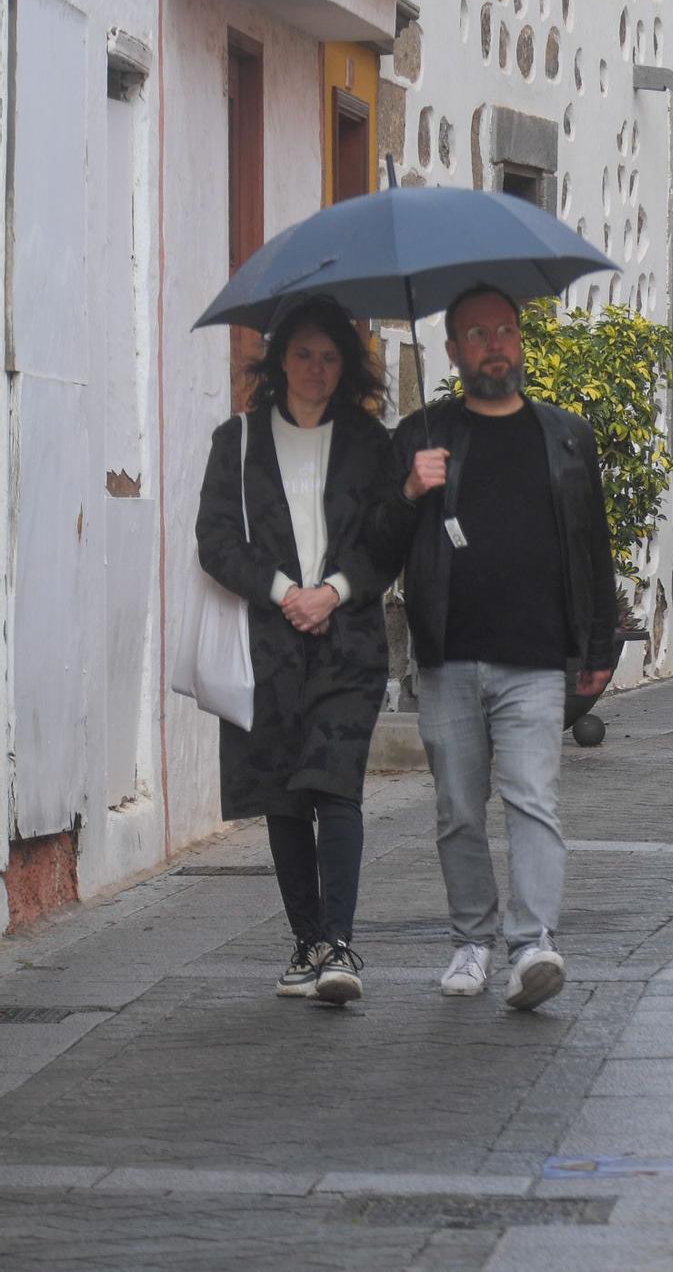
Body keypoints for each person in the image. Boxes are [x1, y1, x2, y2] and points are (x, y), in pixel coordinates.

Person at [370, 285, 617, 1011]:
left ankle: (533, 943)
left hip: (537, 658)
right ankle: (471, 941)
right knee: (457, 806)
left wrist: (598, 642)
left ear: (520, 341)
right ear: (453, 352)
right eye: (476, 334)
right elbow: (381, 547)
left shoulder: (566, 434)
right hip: (450, 655)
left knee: (534, 799)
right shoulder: (421, 436)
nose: (494, 345)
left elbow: (592, 546)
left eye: (505, 330)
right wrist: (410, 492)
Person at [195, 296, 397, 1003]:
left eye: (331, 357)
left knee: (335, 785)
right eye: (305, 354)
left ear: (347, 368)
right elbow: (215, 541)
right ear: (280, 359)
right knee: (285, 797)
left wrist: (334, 590)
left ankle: (339, 944)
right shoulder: (238, 442)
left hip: (347, 642)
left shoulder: (373, 445)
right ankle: (306, 939)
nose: (317, 369)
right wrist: (284, 590)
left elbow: (386, 545)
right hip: (269, 645)